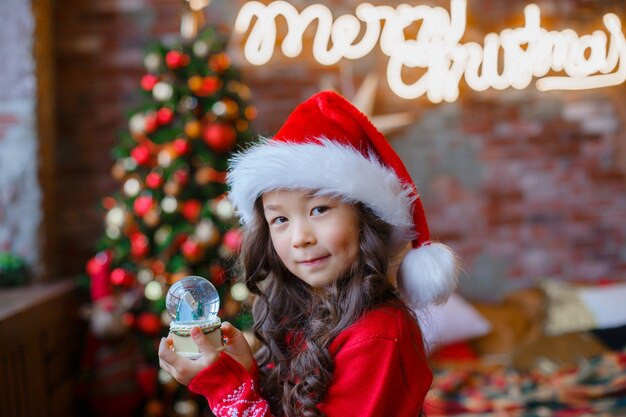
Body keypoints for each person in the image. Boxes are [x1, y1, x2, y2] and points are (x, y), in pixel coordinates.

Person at [158, 91, 459, 417]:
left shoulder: (378, 336)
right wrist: (250, 377)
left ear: (365, 218)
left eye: (319, 209)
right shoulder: (299, 317)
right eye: (281, 219)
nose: (300, 238)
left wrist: (227, 391)